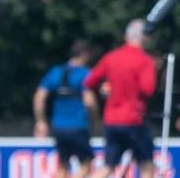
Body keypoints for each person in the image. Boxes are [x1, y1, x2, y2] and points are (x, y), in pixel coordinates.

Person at [84, 19, 157, 178]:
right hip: (134, 120)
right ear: (144, 37)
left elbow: (90, 81)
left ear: (126, 36)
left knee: (108, 167)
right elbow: (148, 89)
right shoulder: (145, 61)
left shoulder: (111, 57)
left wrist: (106, 86)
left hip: (111, 120)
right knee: (146, 166)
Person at [33, 40, 99, 178]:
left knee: (63, 165)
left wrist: (41, 121)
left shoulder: (55, 72)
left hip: (58, 127)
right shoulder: (85, 74)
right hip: (78, 126)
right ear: (85, 55)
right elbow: (89, 102)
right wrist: (95, 120)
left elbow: (39, 97)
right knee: (87, 164)